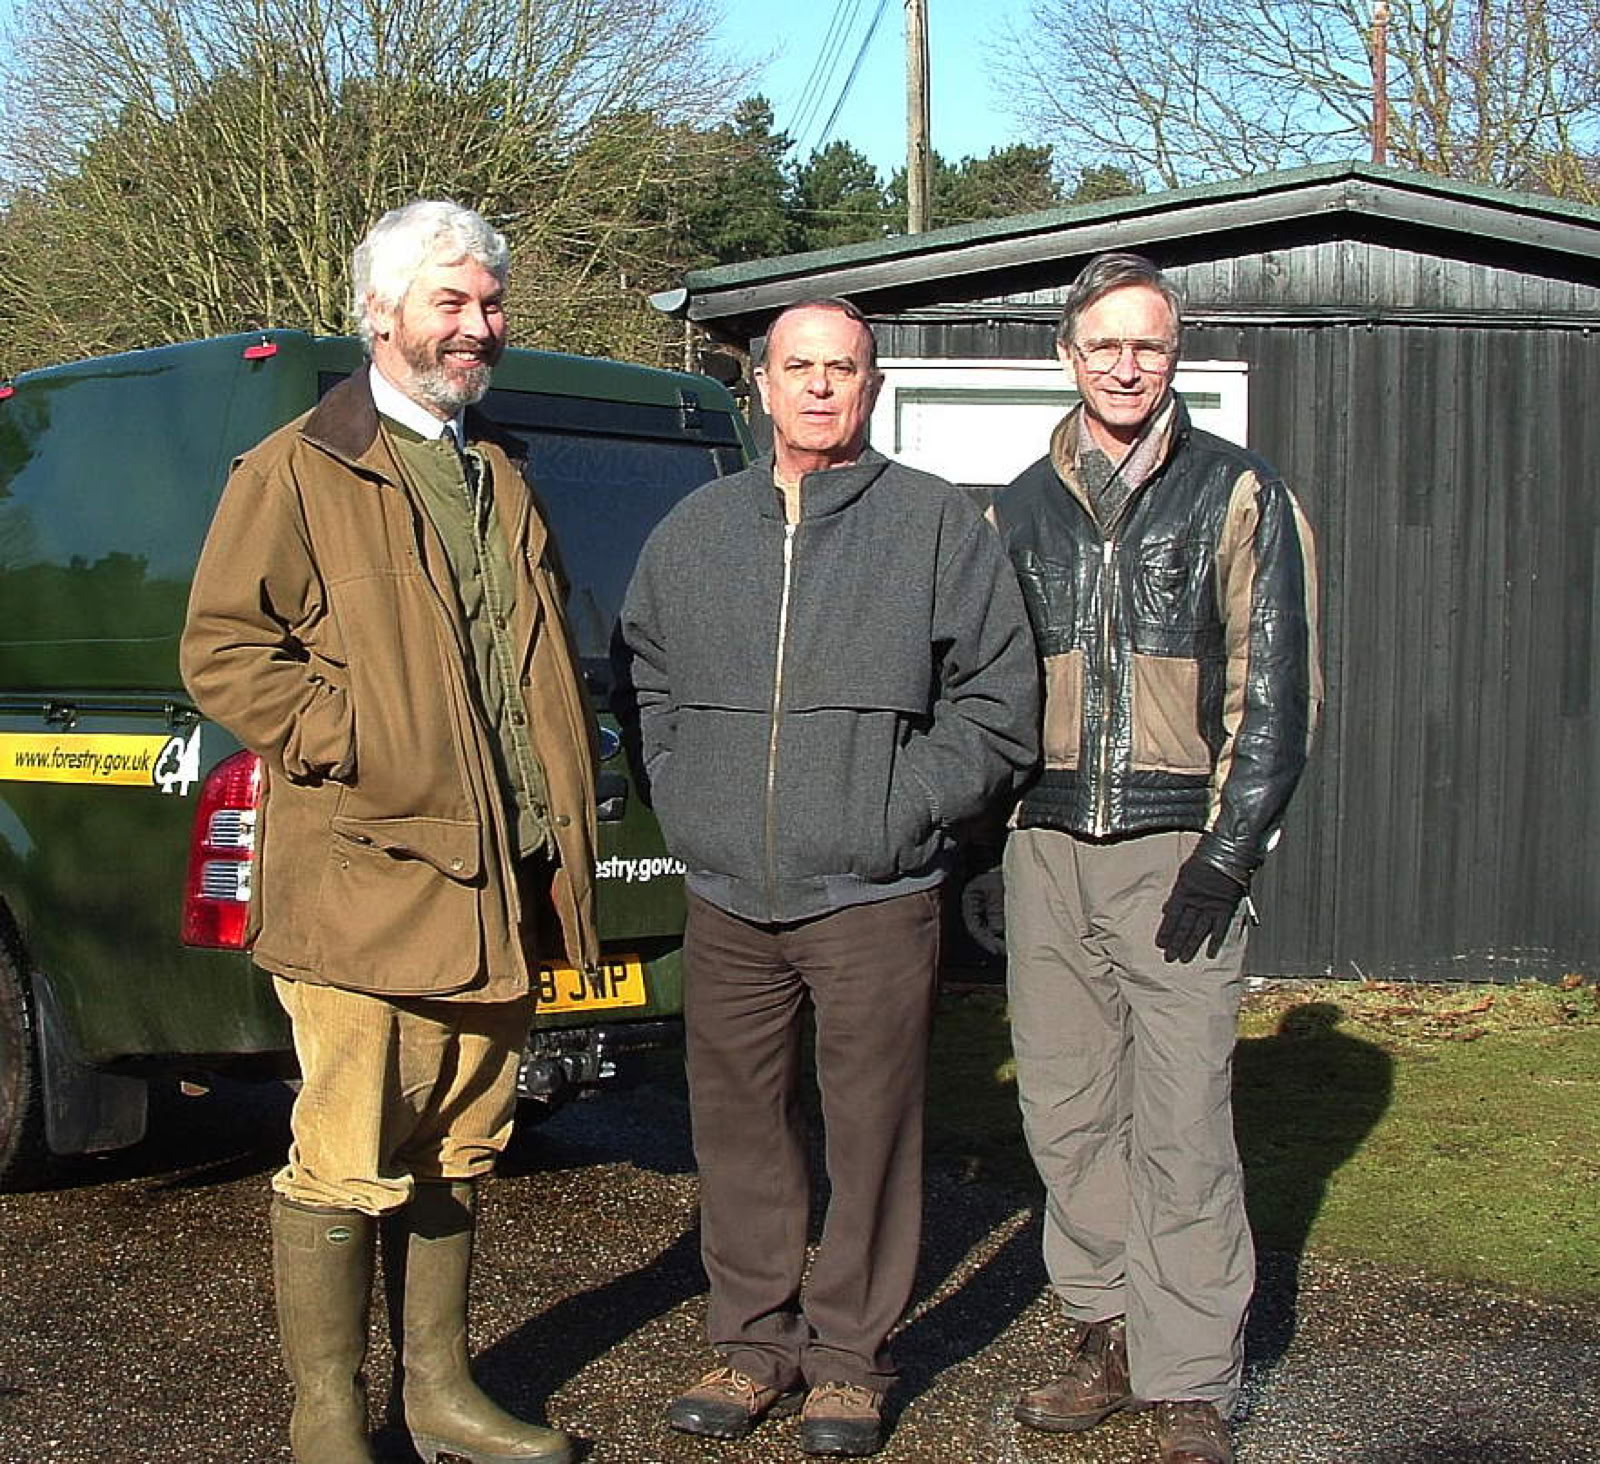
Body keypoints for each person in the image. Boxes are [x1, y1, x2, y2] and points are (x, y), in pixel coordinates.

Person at [181, 200, 596, 1464]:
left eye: (488, 305)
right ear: (379, 315)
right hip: (369, 880)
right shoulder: (295, 471)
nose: (477, 327)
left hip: (498, 885)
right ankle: (328, 1422)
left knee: (458, 1144)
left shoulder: (497, 470)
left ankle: (439, 1395)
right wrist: (354, 735)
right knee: (346, 1154)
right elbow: (222, 651)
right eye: (449, 304)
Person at [615, 298, 1038, 1457]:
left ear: (870, 386)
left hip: (874, 894)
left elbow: (999, 711)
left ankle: (850, 1357)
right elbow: (641, 678)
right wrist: (688, 795)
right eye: (796, 368)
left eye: (839, 368)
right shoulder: (693, 532)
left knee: (872, 1132)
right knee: (740, 1128)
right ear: (760, 385)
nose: (816, 387)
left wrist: (897, 811)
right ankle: (752, 1345)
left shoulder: (935, 527)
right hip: (727, 897)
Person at [990, 252, 1320, 1464]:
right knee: (1069, 1113)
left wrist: (1224, 858)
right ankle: (1104, 1330)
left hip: (1177, 847)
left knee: (1181, 1119)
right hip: (1046, 847)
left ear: (1173, 357)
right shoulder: (1015, 507)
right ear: (1067, 356)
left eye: (1151, 346)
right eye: (1105, 345)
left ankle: (1189, 1373)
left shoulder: (1239, 495)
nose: (1127, 366)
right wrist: (992, 842)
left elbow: (1275, 694)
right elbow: (990, 692)